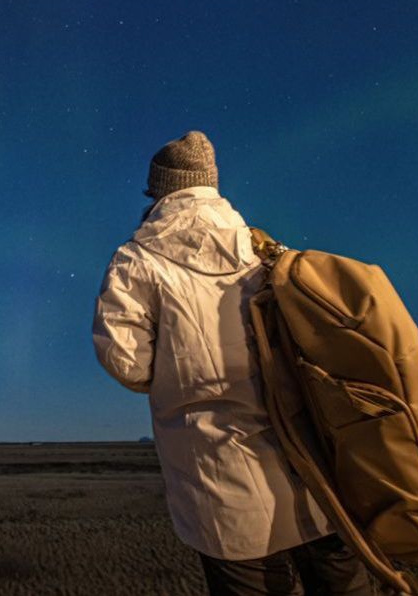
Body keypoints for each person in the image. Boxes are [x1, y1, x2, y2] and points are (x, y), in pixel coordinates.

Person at [92, 130, 383, 596]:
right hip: (313, 468)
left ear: (160, 189)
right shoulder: (263, 248)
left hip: (218, 478)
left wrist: (174, 375)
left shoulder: (137, 261)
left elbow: (127, 362)